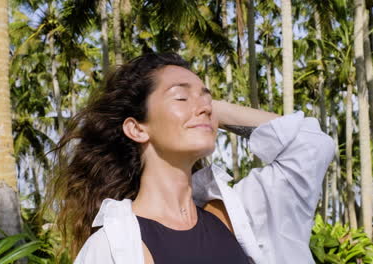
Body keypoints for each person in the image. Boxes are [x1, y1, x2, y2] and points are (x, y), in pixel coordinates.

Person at [45, 52, 335, 264]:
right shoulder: (112, 247)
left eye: (206, 98)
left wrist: (209, 111)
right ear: (137, 128)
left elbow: (311, 145)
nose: (204, 107)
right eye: (180, 97)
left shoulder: (237, 215)